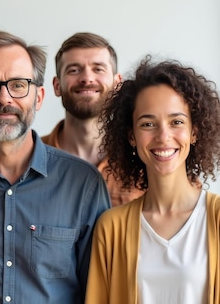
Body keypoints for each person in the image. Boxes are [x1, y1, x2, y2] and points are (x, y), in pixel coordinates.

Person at [0, 30, 110, 303]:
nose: (4, 99)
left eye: (18, 85)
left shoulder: (83, 184)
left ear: (38, 97)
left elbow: (99, 291)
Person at [86, 58, 220, 303]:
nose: (163, 136)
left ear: (194, 132)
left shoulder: (217, 218)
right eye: (148, 124)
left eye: (176, 122)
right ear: (132, 136)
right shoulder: (110, 228)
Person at [41, 32, 144, 206]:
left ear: (117, 84)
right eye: (74, 70)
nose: (87, 78)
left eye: (98, 69)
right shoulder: (30, 160)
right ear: (57, 86)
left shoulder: (144, 158)